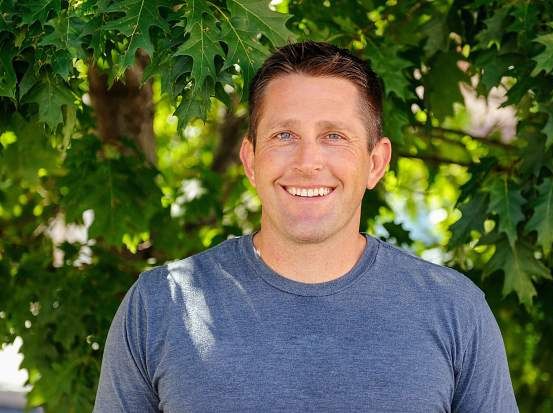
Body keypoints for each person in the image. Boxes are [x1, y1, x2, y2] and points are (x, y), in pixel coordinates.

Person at [94, 41, 519, 412]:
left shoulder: (455, 311)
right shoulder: (160, 306)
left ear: (376, 163)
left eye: (334, 136)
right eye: (284, 135)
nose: (307, 162)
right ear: (250, 160)